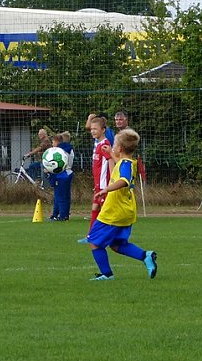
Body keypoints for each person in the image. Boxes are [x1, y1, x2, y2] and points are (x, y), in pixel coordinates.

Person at [84, 128, 157, 280]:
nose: (113, 145)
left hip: (114, 212)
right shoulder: (129, 162)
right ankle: (145, 256)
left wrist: (106, 189)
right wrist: (110, 152)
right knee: (117, 245)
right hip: (125, 210)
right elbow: (120, 165)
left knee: (94, 241)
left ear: (120, 148)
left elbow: (123, 181)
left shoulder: (125, 165)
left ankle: (106, 274)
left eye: (115, 144)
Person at [78, 116, 113, 244]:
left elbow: (110, 161)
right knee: (95, 208)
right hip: (99, 184)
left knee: (105, 212)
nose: (92, 131)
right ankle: (91, 236)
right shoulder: (98, 144)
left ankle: (109, 236)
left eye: (95, 129)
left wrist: (111, 182)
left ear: (103, 130)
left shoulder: (104, 145)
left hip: (104, 185)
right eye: (91, 129)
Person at [48, 132, 74, 221]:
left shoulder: (60, 151)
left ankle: (62, 215)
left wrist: (49, 169)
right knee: (64, 196)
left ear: (57, 141)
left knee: (60, 196)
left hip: (62, 174)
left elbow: (57, 164)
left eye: (53, 142)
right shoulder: (69, 149)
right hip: (68, 172)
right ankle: (60, 214)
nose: (52, 144)